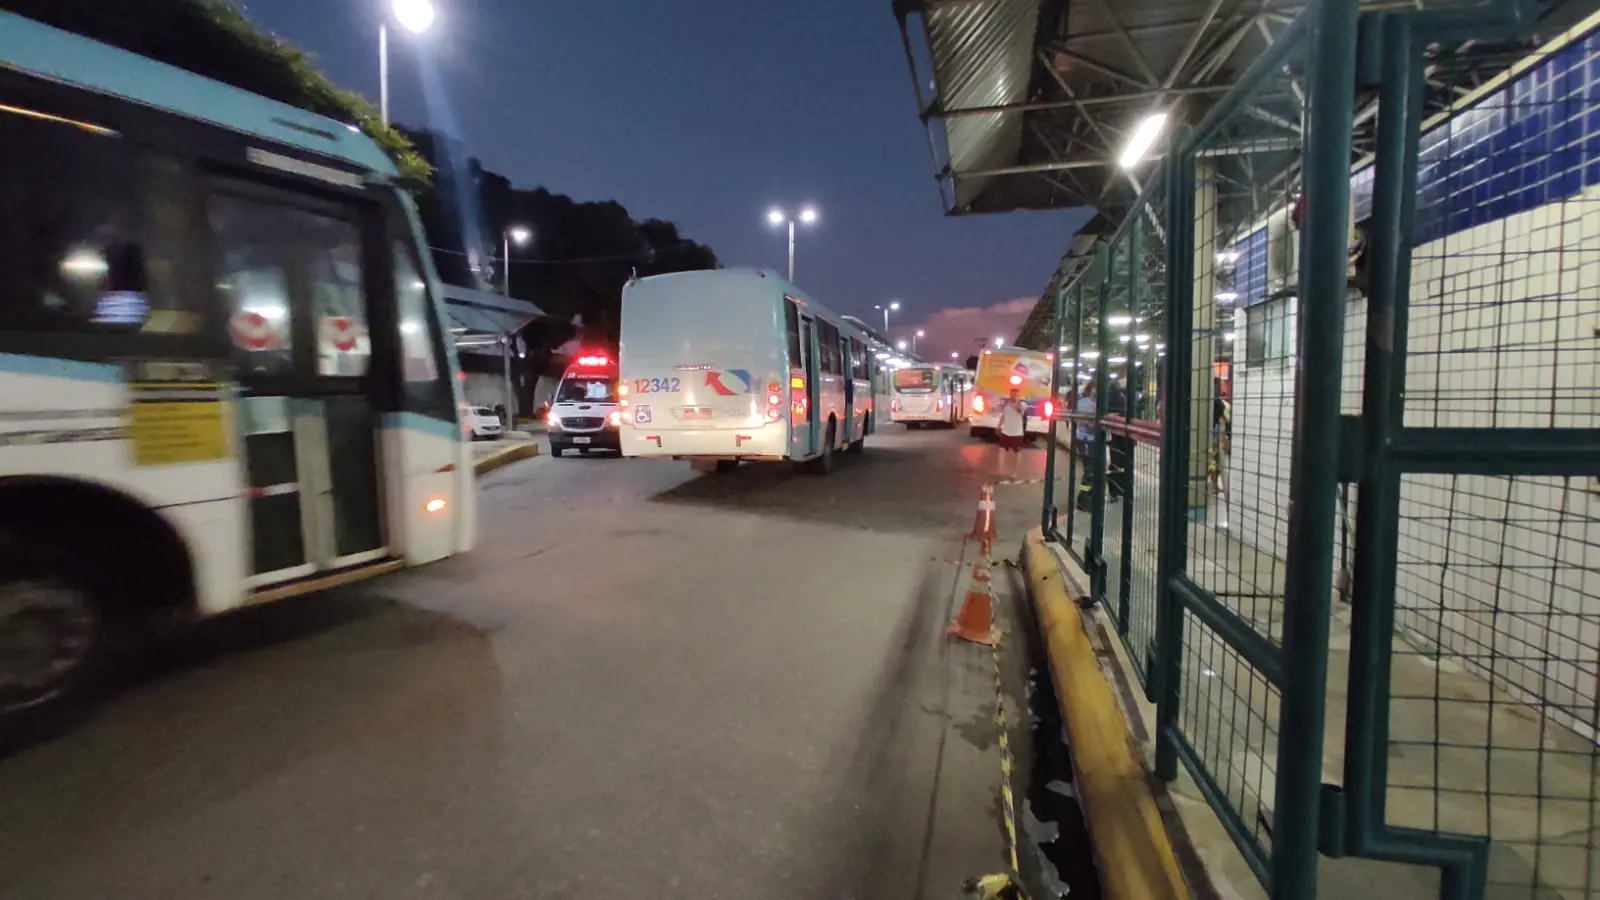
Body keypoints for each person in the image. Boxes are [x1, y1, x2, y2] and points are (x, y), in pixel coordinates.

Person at [995, 387, 1028, 481]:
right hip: (1006, 432)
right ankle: (1001, 471)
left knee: (1017, 453)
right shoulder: (1007, 404)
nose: (1013, 396)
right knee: (1002, 451)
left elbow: (1020, 411)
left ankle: (1015, 472)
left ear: (1018, 395)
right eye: (1012, 394)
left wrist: (1014, 403)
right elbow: (1003, 416)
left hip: (1017, 433)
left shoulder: (1023, 404)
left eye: (1015, 395)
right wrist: (998, 426)